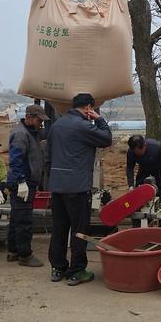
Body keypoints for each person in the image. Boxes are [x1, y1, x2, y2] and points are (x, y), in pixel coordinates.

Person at [45, 93, 112, 286]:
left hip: (57, 187)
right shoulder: (84, 126)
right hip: (77, 187)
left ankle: (57, 268)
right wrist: (100, 120)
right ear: (88, 108)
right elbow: (106, 139)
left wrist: (53, 179)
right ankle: (76, 271)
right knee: (79, 230)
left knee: (59, 228)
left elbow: (48, 156)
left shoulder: (56, 125)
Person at [6, 104, 48, 267]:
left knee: (17, 218)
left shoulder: (30, 133)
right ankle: (24, 255)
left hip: (25, 181)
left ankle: (13, 251)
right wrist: (21, 181)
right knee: (24, 220)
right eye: (39, 120)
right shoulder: (21, 134)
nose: (41, 124)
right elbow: (16, 160)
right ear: (29, 117)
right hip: (21, 183)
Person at [126, 134, 161, 227]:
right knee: (138, 198)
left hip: (158, 172)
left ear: (144, 146)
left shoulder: (157, 147)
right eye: (135, 152)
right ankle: (137, 226)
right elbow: (130, 167)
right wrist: (131, 185)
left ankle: (160, 226)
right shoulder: (131, 151)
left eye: (139, 152)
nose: (137, 154)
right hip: (143, 172)